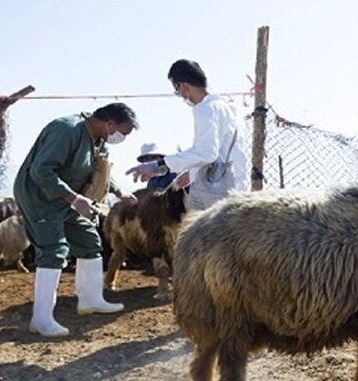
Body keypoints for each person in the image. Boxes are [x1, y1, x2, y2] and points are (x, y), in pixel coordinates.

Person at [13, 102, 139, 337]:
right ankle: (41, 320)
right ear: (109, 123)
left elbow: (99, 172)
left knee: (89, 241)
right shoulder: (66, 130)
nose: (121, 138)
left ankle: (90, 300)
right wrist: (75, 200)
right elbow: (41, 171)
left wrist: (119, 192)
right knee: (53, 249)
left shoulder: (99, 141)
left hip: (69, 198)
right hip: (39, 196)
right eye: (122, 133)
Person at [126, 59, 248, 210]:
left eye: (177, 90)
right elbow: (219, 152)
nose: (180, 95)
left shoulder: (205, 109)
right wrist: (191, 174)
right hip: (235, 185)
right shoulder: (226, 107)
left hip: (217, 191)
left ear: (183, 86)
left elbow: (205, 153)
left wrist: (158, 166)